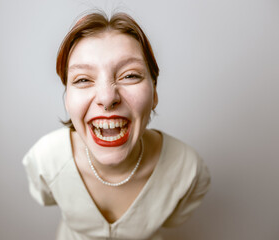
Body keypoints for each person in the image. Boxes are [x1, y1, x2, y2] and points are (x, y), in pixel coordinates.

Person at [22, 11, 210, 240]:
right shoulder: (44, 161)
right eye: (83, 79)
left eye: (130, 75)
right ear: (67, 99)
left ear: (154, 92)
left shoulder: (189, 171)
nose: (107, 97)